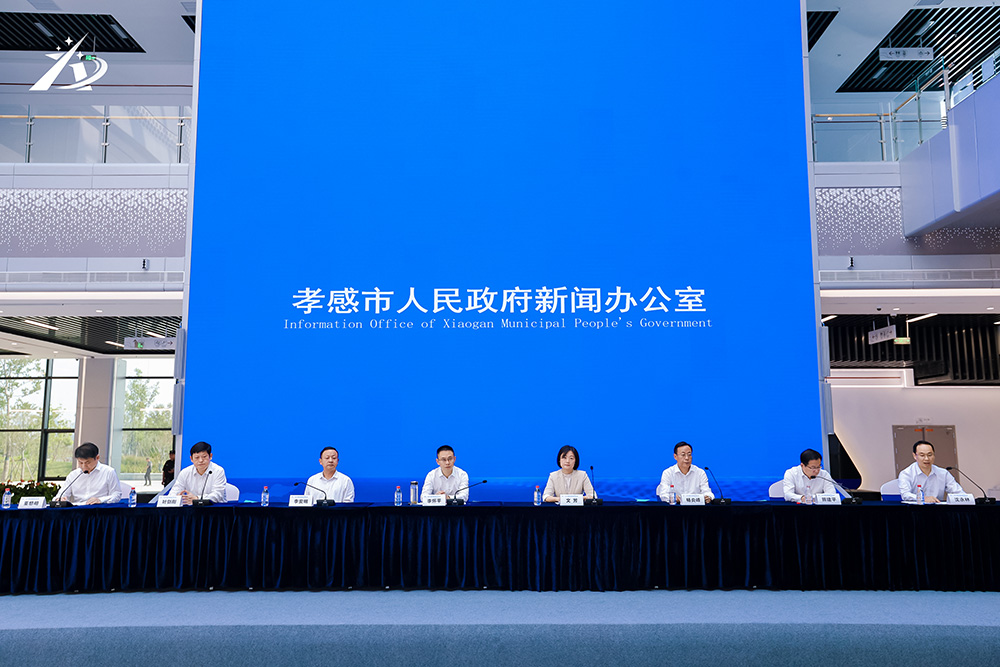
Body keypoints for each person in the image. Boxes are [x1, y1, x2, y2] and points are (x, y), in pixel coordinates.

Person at [898, 440, 964, 503]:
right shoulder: (906, 474)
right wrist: (923, 498)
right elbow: (905, 495)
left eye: (929, 455)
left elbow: (958, 492)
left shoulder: (943, 473)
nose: (926, 459)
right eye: (922, 455)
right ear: (915, 456)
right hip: (915, 509)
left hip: (938, 509)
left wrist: (966, 498)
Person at [55, 442, 122, 505]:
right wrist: (60, 499)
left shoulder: (109, 472)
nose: (83, 466)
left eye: (88, 463)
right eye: (80, 463)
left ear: (97, 458)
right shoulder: (73, 475)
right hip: (78, 510)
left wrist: (100, 500)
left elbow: (116, 495)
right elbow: (61, 495)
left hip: (99, 509)